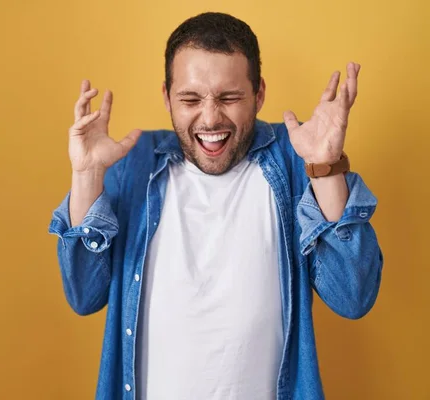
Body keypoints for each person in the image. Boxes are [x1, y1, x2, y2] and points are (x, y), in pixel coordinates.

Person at [48, 11, 383, 400]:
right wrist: (87, 175)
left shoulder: (297, 161)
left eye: (229, 97)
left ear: (259, 94)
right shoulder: (133, 165)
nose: (210, 118)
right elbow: (84, 297)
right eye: (190, 99)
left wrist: (325, 169)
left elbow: (353, 297)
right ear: (167, 97)